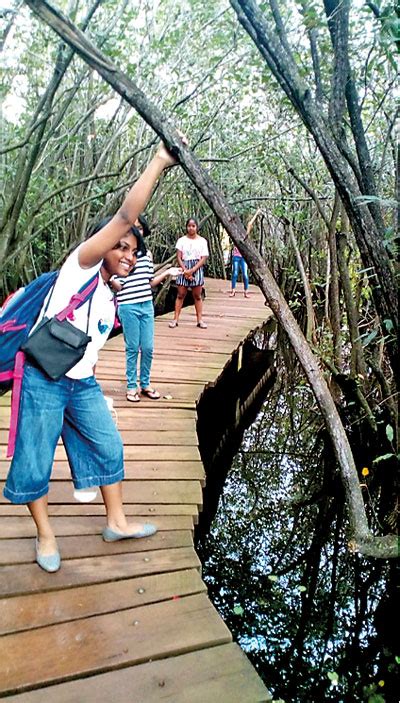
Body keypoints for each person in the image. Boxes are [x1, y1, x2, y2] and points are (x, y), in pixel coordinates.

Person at [3, 139, 181, 573]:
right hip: (43, 378)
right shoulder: (79, 266)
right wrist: (159, 160)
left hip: (80, 383)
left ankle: (116, 522)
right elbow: (125, 215)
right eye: (120, 246)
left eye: (133, 251)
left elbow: (93, 343)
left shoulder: (107, 294)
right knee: (34, 459)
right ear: (102, 246)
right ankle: (45, 537)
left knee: (108, 447)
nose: (127, 255)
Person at [111, 230, 181, 402]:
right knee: (133, 347)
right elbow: (118, 286)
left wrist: (167, 273)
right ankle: (131, 386)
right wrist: (105, 276)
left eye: (141, 230)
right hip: (128, 306)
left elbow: (149, 283)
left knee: (148, 347)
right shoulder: (118, 256)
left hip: (146, 305)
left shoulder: (146, 255)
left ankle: (145, 384)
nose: (138, 233)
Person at [169, 217, 209, 329]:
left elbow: (203, 258)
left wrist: (192, 270)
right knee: (180, 294)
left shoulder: (202, 241)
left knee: (197, 296)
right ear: (186, 227)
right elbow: (179, 256)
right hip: (184, 268)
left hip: (197, 268)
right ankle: (175, 319)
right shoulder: (181, 240)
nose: (191, 228)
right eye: (189, 226)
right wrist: (186, 270)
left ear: (197, 227)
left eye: (193, 226)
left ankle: (200, 320)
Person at [229, 208, 261, 298]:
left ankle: (246, 291)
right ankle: (233, 290)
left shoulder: (245, 237)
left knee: (245, 275)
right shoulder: (234, 235)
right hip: (236, 257)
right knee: (235, 273)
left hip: (243, 258)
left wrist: (256, 213)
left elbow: (250, 224)